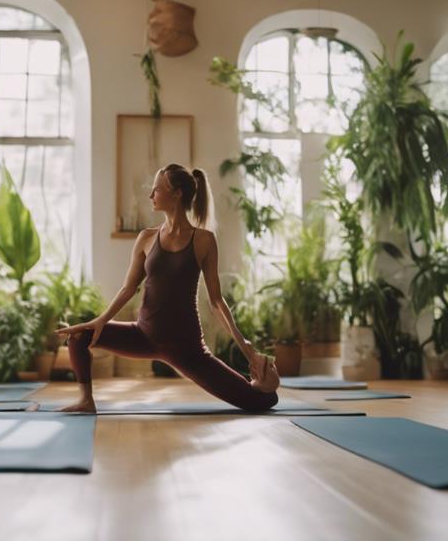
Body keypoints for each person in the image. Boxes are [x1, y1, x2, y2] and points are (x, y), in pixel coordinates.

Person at [55, 163, 280, 413]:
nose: (151, 195)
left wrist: (247, 349)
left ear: (177, 193)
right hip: (144, 335)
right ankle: (86, 401)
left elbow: (216, 301)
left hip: (186, 347)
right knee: (78, 336)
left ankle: (262, 382)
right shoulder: (146, 238)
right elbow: (128, 288)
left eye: (157, 190)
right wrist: (100, 321)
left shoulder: (203, 240)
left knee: (263, 401)